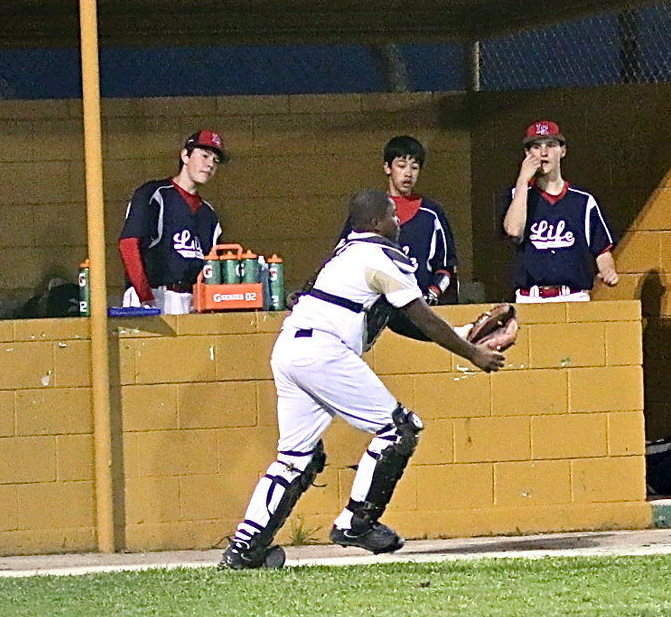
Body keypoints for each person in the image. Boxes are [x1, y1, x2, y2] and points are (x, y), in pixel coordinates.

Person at [220, 189, 505, 570]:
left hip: (290, 348)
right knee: (400, 429)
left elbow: (398, 319)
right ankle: (357, 522)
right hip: (323, 351)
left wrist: (464, 330)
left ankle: (244, 549)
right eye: (391, 215)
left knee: (295, 459)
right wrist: (473, 353)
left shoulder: (346, 252)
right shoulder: (383, 256)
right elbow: (420, 316)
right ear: (375, 224)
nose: (398, 220)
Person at [502, 120, 619, 303]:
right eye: (536, 146)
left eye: (550, 145)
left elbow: (602, 250)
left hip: (573, 296)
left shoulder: (583, 201)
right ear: (527, 153)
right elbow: (513, 231)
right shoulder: (519, 195)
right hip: (531, 297)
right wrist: (523, 180)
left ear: (562, 151)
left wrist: (607, 270)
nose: (543, 153)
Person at [118, 130, 226, 315]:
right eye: (205, 156)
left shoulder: (209, 214)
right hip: (152, 293)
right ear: (185, 156)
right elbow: (128, 244)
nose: (210, 165)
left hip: (191, 299)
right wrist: (144, 295)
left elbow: (212, 267)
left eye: (215, 161)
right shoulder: (154, 193)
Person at [338, 135, 457, 303]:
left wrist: (432, 294)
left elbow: (446, 267)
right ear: (387, 167)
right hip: (374, 307)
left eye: (414, 167)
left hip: (420, 309)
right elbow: (342, 257)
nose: (408, 173)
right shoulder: (368, 210)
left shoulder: (432, 213)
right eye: (401, 166)